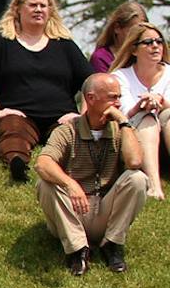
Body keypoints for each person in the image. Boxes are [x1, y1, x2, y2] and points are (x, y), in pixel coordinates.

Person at [0, 0, 92, 184]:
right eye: (32, 5)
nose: (38, 10)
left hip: (59, 118)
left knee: (69, 137)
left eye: (43, 6)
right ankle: (17, 164)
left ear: (50, 10)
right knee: (14, 130)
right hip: (17, 115)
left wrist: (83, 117)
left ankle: (72, 172)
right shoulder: (1, 41)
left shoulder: (65, 45)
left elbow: (91, 82)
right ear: (17, 8)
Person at [34, 74, 146, 275]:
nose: (118, 103)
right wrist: (70, 184)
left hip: (105, 211)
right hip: (73, 212)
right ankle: (77, 250)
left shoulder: (122, 130)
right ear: (91, 98)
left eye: (119, 97)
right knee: (45, 183)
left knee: (137, 179)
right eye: (113, 97)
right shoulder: (68, 131)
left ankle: (112, 244)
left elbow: (135, 162)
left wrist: (124, 122)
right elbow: (42, 163)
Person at [110, 21, 167, 198]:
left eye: (159, 41)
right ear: (134, 50)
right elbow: (124, 113)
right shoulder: (120, 77)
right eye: (148, 42)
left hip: (166, 138)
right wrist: (141, 106)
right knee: (147, 116)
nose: (156, 46)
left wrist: (161, 101)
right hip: (136, 137)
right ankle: (154, 186)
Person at [90, 0, 146, 75]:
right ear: (117, 28)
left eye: (142, 31)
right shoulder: (101, 58)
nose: (138, 36)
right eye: (133, 31)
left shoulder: (144, 56)